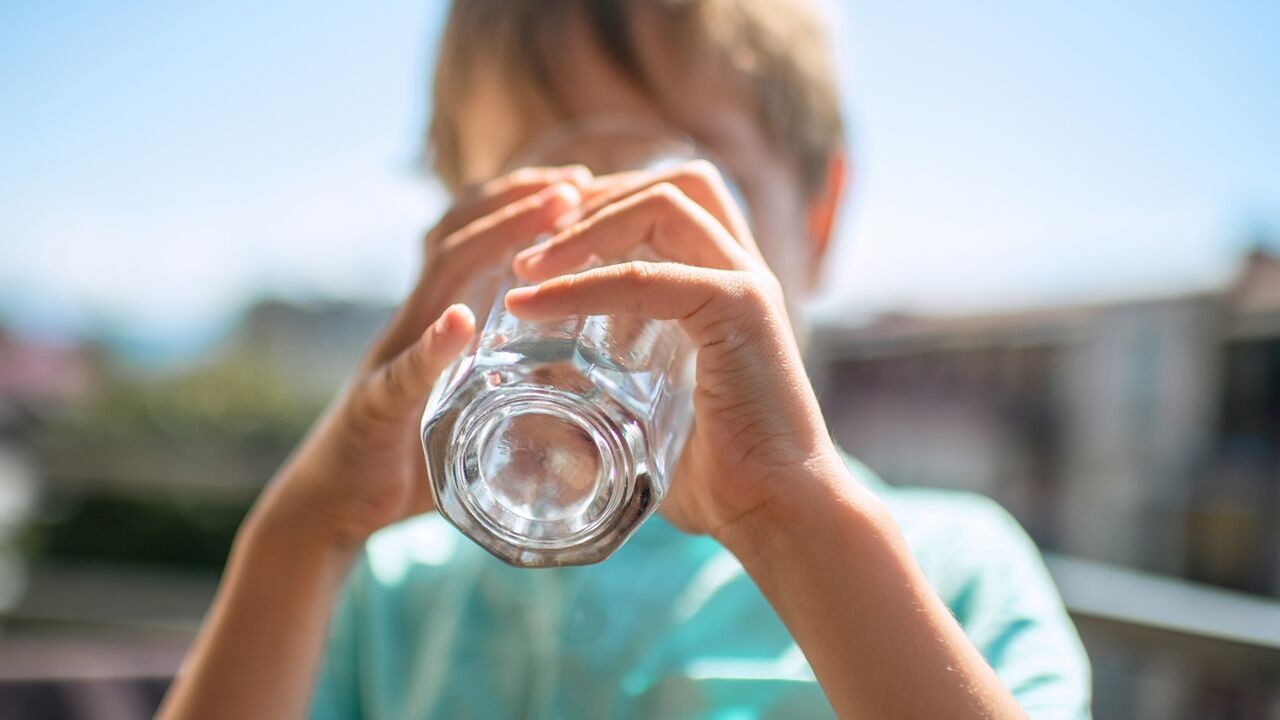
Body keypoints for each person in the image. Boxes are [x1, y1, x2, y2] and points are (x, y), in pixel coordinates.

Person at [157, 1, 1091, 718]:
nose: (614, 260)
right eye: (549, 207)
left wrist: (789, 519)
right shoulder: (390, 593)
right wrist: (306, 532)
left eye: (682, 197)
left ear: (817, 218)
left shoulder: (951, 575)